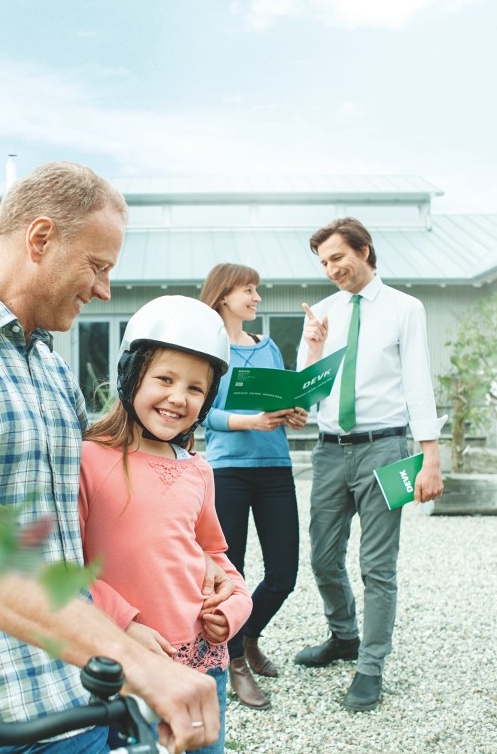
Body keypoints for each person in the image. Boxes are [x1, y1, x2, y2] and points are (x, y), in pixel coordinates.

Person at [0, 162, 225, 754]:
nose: (103, 290)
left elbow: (85, 531)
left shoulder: (50, 368)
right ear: (41, 238)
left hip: (87, 691)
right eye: (98, 266)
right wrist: (133, 660)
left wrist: (179, 583)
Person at [79, 295, 253, 754]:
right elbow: (66, 562)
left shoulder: (200, 470)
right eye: (165, 379)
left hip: (203, 669)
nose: (179, 397)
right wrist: (125, 623)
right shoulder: (89, 459)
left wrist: (233, 611)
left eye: (196, 389)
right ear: (130, 376)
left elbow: (217, 558)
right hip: (126, 666)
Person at [294, 217, 443, 712]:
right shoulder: (324, 313)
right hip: (330, 449)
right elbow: (307, 393)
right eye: (323, 262)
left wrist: (430, 458)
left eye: (337, 257)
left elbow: (419, 382)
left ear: (364, 251)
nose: (331, 268)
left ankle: (370, 666)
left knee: (377, 566)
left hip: (386, 449)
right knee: (321, 557)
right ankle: (344, 635)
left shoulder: (405, 308)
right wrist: (312, 346)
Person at [199, 264, 308, 710]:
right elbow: (202, 413)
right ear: (224, 296)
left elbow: (282, 401)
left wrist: (292, 414)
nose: (256, 297)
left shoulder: (269, 348)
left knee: (284, 572)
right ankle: (234, 661)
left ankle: (247, 637)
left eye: (257, 290)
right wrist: (250, 421)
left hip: (276, 467)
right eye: (248, 290)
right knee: (233, 573)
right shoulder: (208, 349)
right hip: (228, 471)